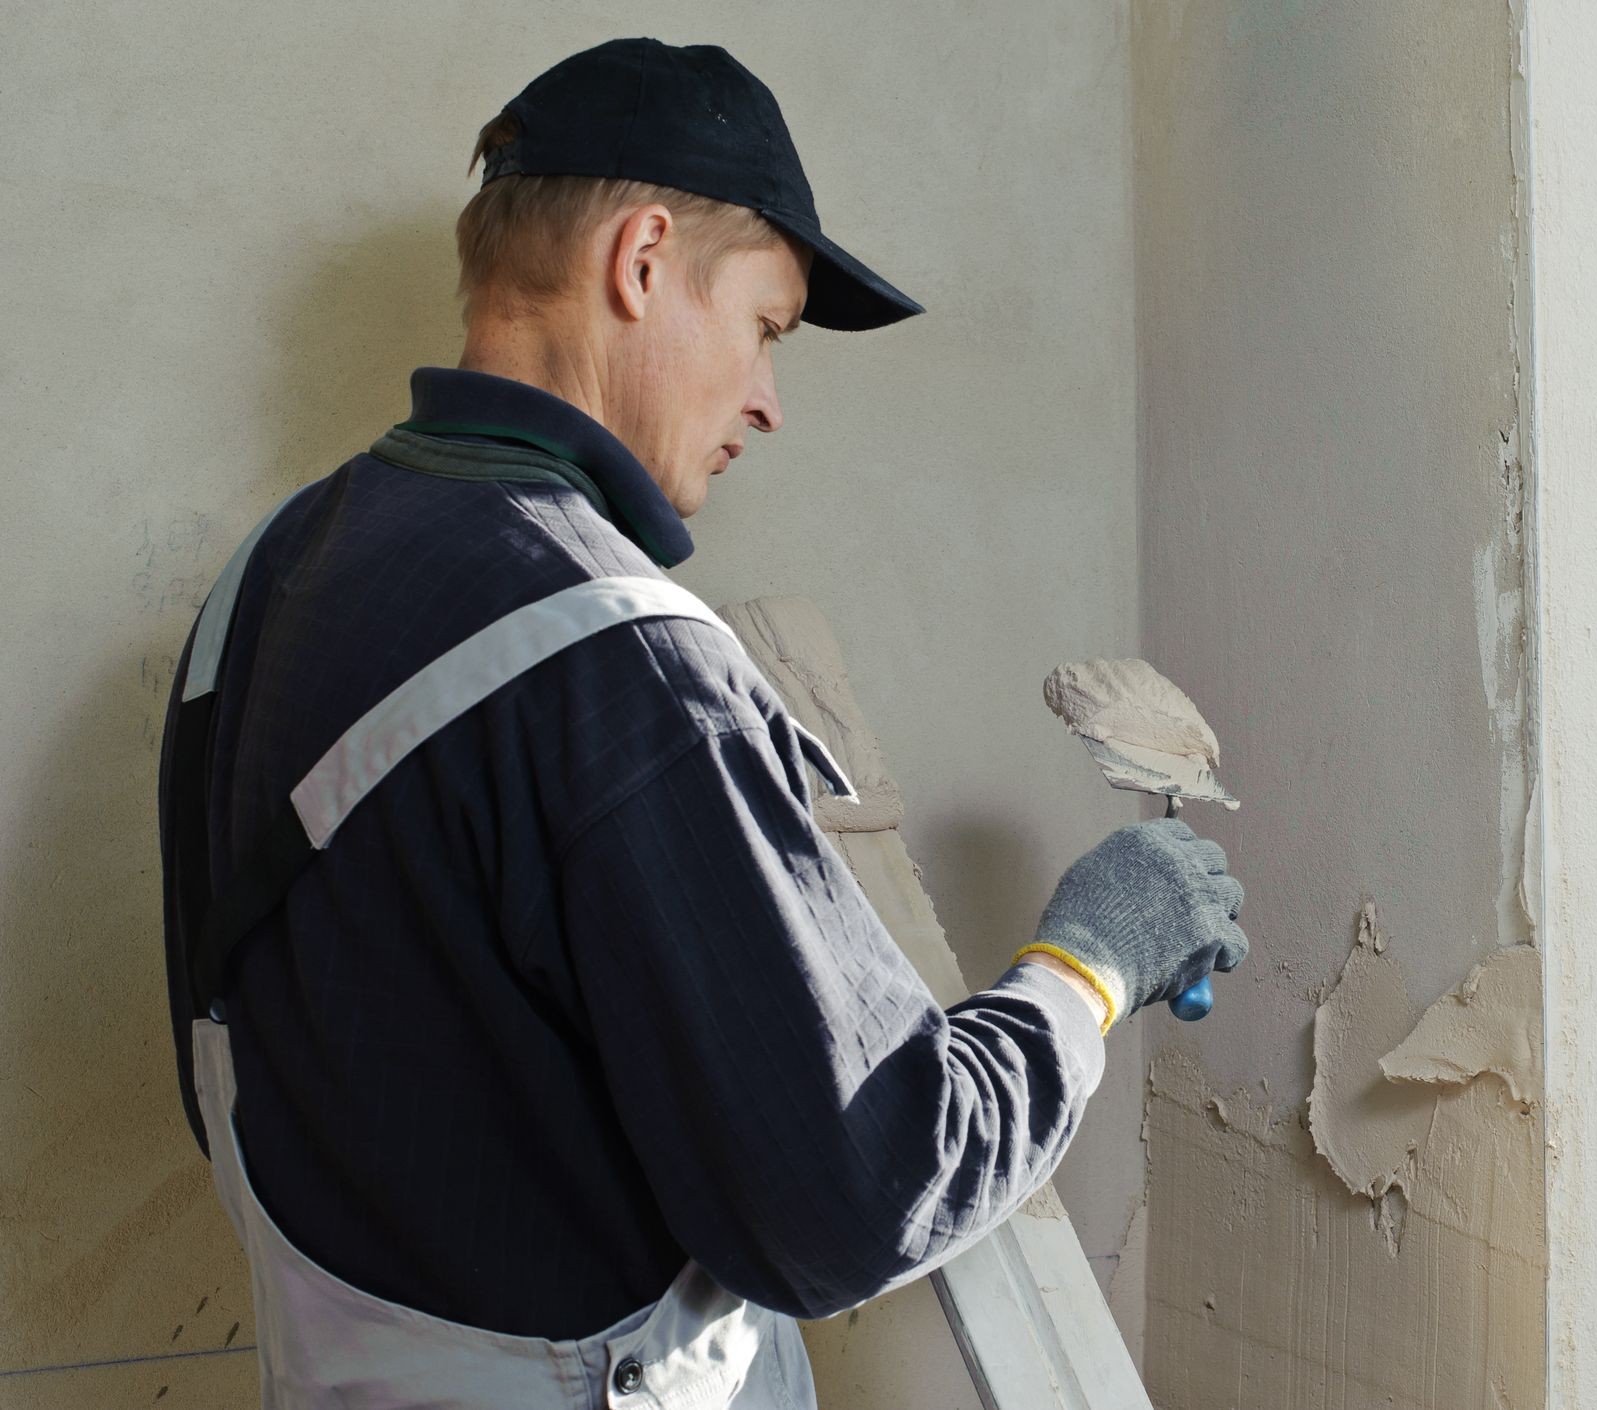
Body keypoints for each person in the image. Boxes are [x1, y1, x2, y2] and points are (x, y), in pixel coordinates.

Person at [158, 37, 1248, 1409]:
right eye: (767, 328)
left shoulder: (257, 590)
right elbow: (849, 1192)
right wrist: (1093, 960)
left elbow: (241, 1090)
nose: (768, 404)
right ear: (643, 258)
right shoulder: (619, 656)